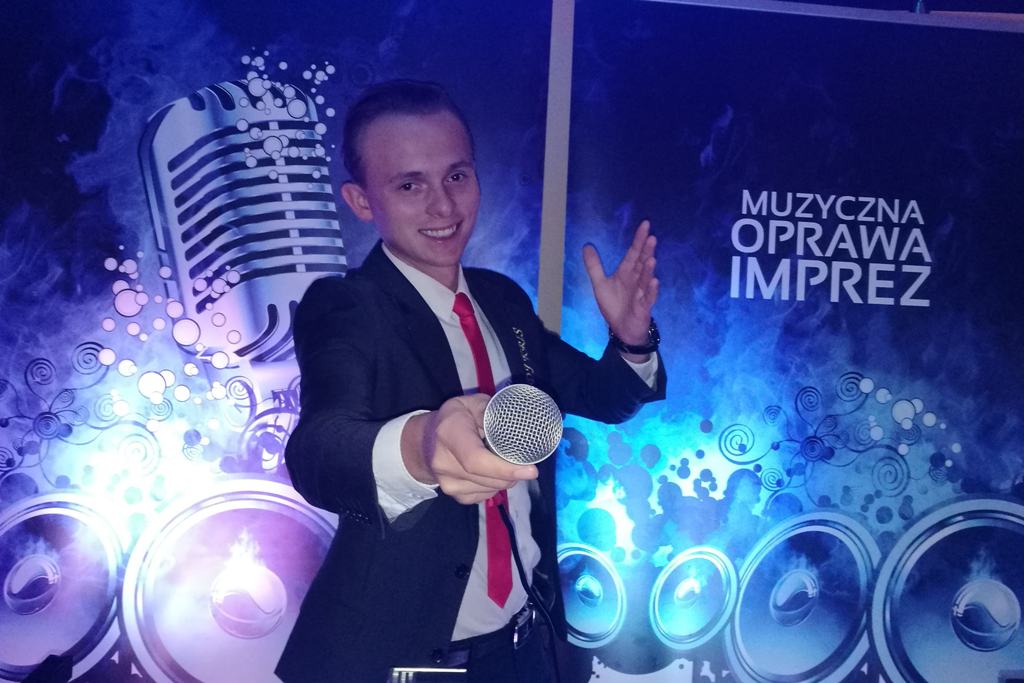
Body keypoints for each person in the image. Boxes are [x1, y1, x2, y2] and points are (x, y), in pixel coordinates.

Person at [276, 80, 666, 683]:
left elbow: (602, 396)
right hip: (401, 660)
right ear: (360, 200)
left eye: (456, 176)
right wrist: (422, 447)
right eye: (410, 185)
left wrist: (632, 338)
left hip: (524, 647)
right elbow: (319, 450)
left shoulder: (502, 300)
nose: (443, 206)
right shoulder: (347, 307)